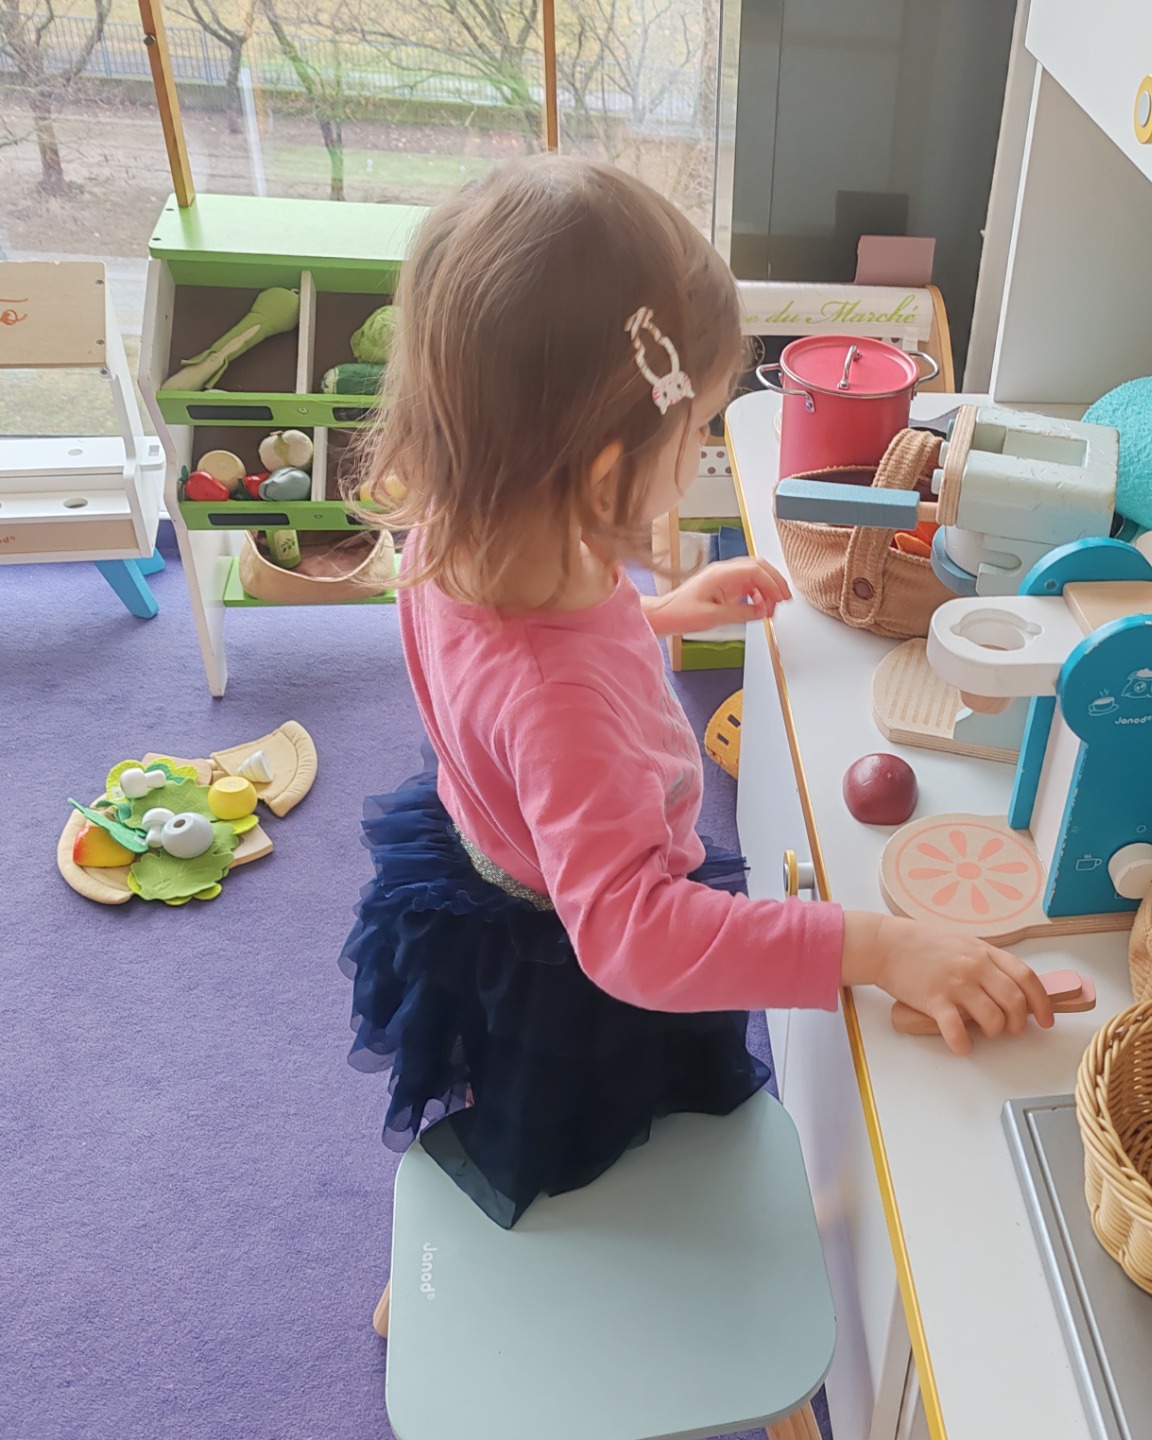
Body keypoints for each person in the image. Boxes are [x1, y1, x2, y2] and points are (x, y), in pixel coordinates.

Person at [339, 155, 1052, 1240]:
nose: (710, 443)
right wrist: (875, 946)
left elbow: (515, 679)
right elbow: (634, 932)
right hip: (571, 949)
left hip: (495, 852)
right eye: (704, 426)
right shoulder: (558, 704)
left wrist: (656, 614)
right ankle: (471, 1280)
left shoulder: (465, 519)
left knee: (510, 1103)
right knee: (565, 1153)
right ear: (607, 467)